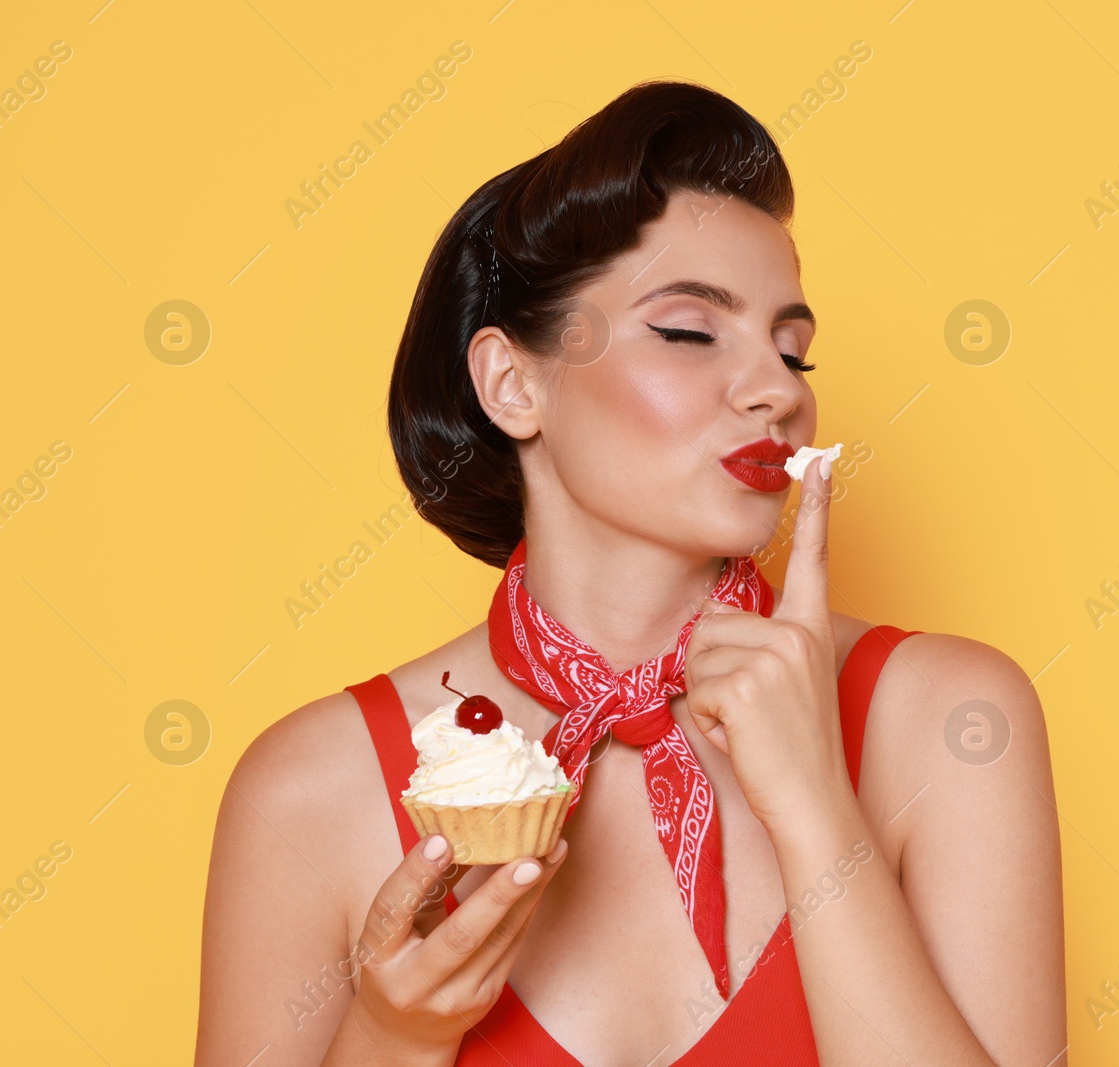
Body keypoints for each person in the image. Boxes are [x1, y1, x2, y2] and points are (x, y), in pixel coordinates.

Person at [196, 79, 1066, 1067]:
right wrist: (396, 1035)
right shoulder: (310, 789)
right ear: (514, 384)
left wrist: (818, 805)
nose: (776, 388)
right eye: (690, 331)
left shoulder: (947, 723)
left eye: (794, 350)